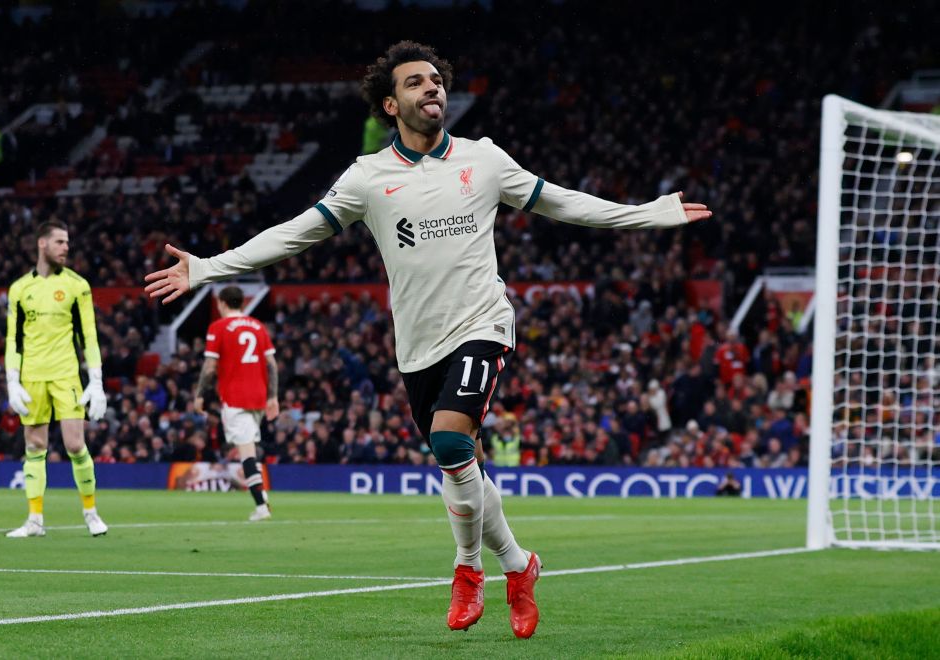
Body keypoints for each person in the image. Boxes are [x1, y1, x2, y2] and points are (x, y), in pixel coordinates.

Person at [145, 41, 711, 638]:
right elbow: (295, 233)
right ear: (391, 104)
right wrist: (208, 267)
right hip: (416, 344)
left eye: (437, 80)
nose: (432, 88)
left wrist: (647, 213)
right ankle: (518, 566)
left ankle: (469, 570)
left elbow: (564, 204)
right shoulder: (368, 178)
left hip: (483, 324)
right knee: (462, 466)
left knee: (448, 441)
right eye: (416, 83)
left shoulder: (484, 159)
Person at [4, 219, 109, 538]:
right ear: (42, 244)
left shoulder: (78, 285)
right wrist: (12, 380)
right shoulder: (20, 289)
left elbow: (88, 335)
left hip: (66, 374)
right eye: (60, 242)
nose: (66, 247)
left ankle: (91, 513)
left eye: (67, 242)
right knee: (34, 446)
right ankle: (35, 520)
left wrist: (96, 380)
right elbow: (14, 340)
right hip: (32, 376)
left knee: (76, 445)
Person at [194, 286, 279, 521]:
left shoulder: (218, 328)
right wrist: (273, 396)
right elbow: (271, 364)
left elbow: (210, 367)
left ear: (221, 303)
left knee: (246, 453)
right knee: (248, 447)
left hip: (235, 398)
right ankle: (263, 502)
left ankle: (261, 506)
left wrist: (200, 394)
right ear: (241, 303)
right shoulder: (258, 327)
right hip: (259, 398)